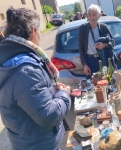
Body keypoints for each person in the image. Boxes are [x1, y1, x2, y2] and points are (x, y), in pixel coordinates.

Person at [0, 7, 71, 150]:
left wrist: (52, 91)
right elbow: (48, 115)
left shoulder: (12, 59)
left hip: (27, 141)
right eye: (39, 31)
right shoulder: (26, 70)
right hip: (39, 144)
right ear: (33, 32)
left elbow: (29, 97)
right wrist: (64, 94)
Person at [78, 4, 114, 79]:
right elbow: (80, 48)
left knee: (107, 82)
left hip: (103, 60)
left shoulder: (104, 27)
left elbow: (113, 43)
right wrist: (84, 65)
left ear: (99, 15)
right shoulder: (82, 28)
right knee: (93, 86)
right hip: (90, 62)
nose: (92, 18)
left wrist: (104, 45)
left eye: (94, 15)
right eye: (89, 15)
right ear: (87, 15)